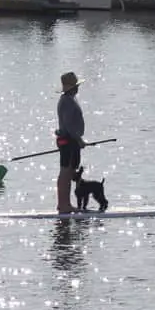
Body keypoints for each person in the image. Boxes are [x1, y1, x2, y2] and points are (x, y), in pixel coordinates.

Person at [55, 71, 86, 213]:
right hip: (69, 141)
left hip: (70, 140)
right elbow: (68, 125)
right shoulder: (67, 101)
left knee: (68, 171)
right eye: (76, 86)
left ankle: (65, 204)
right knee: (66, 173)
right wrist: (78, 139)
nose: (78, 88)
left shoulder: (68, 99)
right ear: (72, 88)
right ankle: (63, 205)